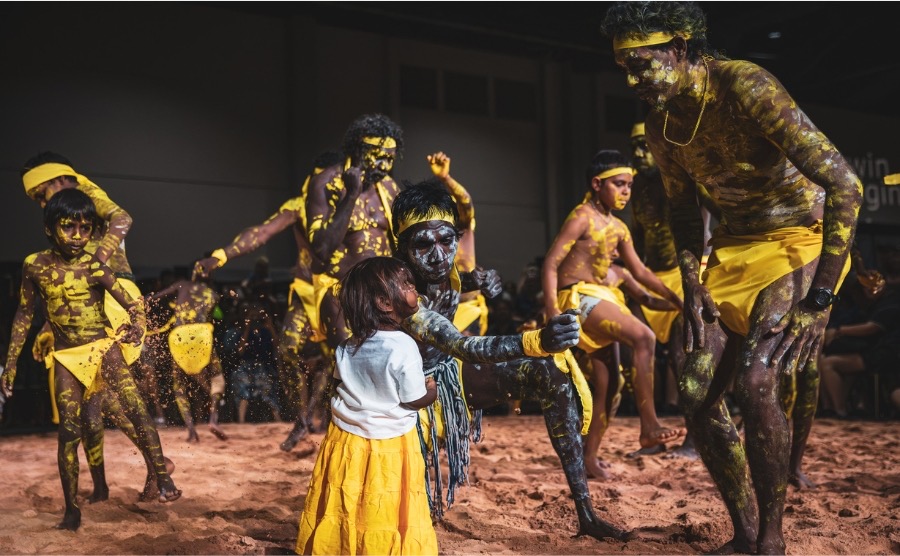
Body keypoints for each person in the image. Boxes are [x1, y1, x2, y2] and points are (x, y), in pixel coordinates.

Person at [601, 3, 862, 553]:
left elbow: (846, 186)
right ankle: (744, 532)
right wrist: (693, 282)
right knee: (694, 389)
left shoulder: (746, 86)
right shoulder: (661, 123)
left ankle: (771, 538)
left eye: (643, 63)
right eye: (624, 65)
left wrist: (819, 300)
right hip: (735, 250)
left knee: (757, 380)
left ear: (682, 47)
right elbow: (681, 212)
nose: (632, 79)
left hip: (799, 241)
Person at [392, 180, 631, 541]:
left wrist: (484, 279)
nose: (439, 255)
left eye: (446, 240)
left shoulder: (443, 270)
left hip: (445, 378)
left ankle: (586, 513)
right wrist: (539, 339)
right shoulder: (401, 290)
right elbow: (464, 347)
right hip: (406, 400)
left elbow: (459, 280)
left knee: (549, 372)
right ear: (403, 250)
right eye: (423, 244)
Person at [1, 189, 180, 531]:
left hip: (102, 348)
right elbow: (24, 315)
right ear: (49, 228)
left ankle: (163, 478)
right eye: (69, 227)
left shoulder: (95, 267)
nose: (78, 236)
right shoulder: (34, 265)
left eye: (85, 228)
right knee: (70, 432)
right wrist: (9, 365)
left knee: (136, 407)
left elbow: (132, 303)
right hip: (68, 356)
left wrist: (137, 327)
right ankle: (71, 510)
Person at [20, 152, 164, 503]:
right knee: (95, 401)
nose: (43, 203)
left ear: (58, 180)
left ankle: (155, 466)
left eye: (42, 194)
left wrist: (98, 261)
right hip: (102, 300)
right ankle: (130, 475)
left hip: (114, 297)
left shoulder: (83, 190)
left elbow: (122, 217)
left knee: (99, 400)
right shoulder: (74, 208)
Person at [542, 149, 685, 478]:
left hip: (602, 299)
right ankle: (649, 424)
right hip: (577, 297)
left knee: (609, 384)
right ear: (596, 184)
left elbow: (642, 273)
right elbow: (551, 263)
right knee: (644, 336)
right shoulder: (581, 217)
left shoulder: (619, 228)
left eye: (630, 186)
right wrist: (552, 312)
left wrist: (678, 300)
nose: (626, 192)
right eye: (619, 184)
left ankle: (589, 460)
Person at [194, 151, 343, 452]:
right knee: (287, 350)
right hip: (305, 291)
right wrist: (223, 255)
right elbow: (262, 232)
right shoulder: (300, 206)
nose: (329, 183)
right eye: (323, 178)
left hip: (339, 293)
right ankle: (302, 419)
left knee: (339, 358)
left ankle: (321, 415)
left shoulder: (353, 208)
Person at [296, 257, 438, 555]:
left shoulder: (347, 345)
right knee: (382, 500)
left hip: (344, 441)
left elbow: (338, 384)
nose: (414, 289)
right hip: (391, 445)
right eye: (407, 284)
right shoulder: (404, 346)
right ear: (386, 302)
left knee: (348, 497)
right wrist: (431, 391)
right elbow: (412, 399)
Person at [146, 272, 228, 442]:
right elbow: (215, 316)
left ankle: (191, 430)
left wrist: (140, 300)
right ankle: (213, 419)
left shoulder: (182, 284)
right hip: (201, 334)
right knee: (217, 378)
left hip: (179, 336)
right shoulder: (212, 294)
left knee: (179, 385)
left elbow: (157, 296)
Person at [427, 151, 489, 336]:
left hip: (468, 310)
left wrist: (446, 178)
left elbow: (466, 202)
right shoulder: (429, 236)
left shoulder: (463, 227)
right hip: (438, 311)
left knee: (467, 360)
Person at [232, 303, 282, 424]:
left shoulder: (266, 332)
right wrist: (247, 328)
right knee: (243, 388)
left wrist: (270, 326)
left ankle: (278, 420)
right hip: (246, 365)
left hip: (263, 365)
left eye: (258, 317)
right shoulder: (241, 332)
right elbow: (240, 351)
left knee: (269, 389)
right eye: (252, 317)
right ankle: (241, 421)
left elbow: (278, 347)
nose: (256, 320)